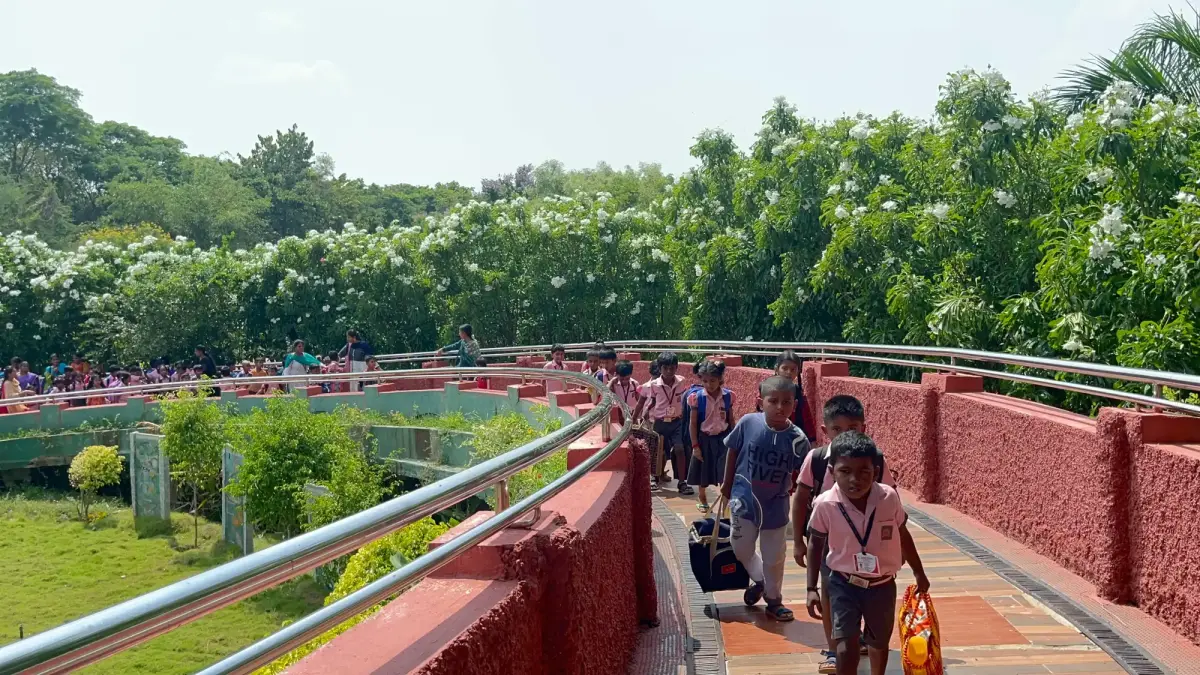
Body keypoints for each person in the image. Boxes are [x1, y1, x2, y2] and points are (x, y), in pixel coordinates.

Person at [806, 431, 928, 675]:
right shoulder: (825, 504)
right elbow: (815, 543)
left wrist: (919, 572)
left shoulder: (888, 498)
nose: (855, 479)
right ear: (832, 472)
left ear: (876, 471)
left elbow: (903, 534)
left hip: (882, 585)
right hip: (843, 583)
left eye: (864, 471)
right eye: (845, 471)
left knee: (878, 642)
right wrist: (811, 588)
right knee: (845, 645)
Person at [796, 396, 898, 673]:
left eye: (852, 427)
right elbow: (801, 497)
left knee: (869, 597)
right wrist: (798, 543)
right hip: (829, 539)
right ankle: (836, 648)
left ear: (864, 427)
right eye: (837, 429)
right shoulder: (817, 459)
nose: (844, 434)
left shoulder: (873, 458)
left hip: (866, 544)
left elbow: (890, 502)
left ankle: (857, 639)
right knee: (831, 593)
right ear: (825, 430)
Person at [719, 375, 811, 622]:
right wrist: (727, 485)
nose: (780, 407)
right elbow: (732, 450)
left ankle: (774, 599)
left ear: (795, 405)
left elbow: (806, 473)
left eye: (787, 402)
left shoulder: (798, 439)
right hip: (743, 499)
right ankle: (760, 580)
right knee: (740, 548)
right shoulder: (748, 422)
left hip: (776, 506)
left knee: (774, 556)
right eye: (773, 401)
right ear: (761, 402)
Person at [633, 352, 692, 495]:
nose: (669, 371)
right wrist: (638, 416)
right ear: (660, 368)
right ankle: (654, 478)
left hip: (676, 422)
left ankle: (682, 482)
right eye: (665, 368)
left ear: (676, 367)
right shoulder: (654, 385)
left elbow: (682, 399)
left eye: (672, 368)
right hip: (659, 422)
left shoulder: (681, 381)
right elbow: (649, 401)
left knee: (679, 449)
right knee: (657, 451)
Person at [687, 360, 735, 514]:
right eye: (705, 381)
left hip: (723, 439)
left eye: (713, 380)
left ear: (720, 379)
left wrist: (735, 440)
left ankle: (725, 501)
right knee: (704, 470)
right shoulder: (697, 398)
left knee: (724, 470)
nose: (709, 384)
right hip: (704, 439)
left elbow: (731, 420)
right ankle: (702, 498)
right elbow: (693, 424)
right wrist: (695, 446)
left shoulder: (728, 397)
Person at [756, 350, 815, 441]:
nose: (788, 372)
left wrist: (812, 441)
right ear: (777, 369)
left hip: (792, 439)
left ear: (798, 372)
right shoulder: (766, 388)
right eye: (785, 368)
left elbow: (808, 422)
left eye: (793, 369)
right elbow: (759, 415)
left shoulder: (798, 394)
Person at [608, 359, 640, 425]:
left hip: (632, 414)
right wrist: (611, 381)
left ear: (631, 374)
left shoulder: (635, 384)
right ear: (616, 374)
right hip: (619, 415)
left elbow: (639, 400)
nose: (624, 381)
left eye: (627, 378)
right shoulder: (613, 384)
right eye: (622, 379)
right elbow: (605, 392)